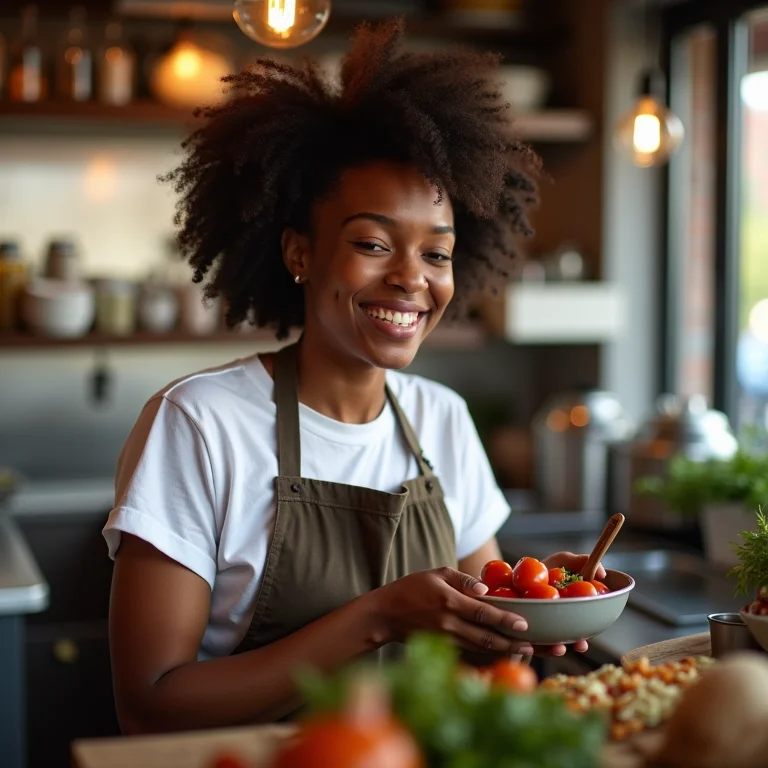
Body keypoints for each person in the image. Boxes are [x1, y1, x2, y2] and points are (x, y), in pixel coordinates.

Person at [104, 18, 605, 735]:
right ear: (300, 253)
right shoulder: (200, 422)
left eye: (437, 254)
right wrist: (375, 617)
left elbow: (493, 656)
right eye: (373, 243)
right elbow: (148, 705)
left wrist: (536, 606)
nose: (411, 279)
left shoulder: (443, 419)